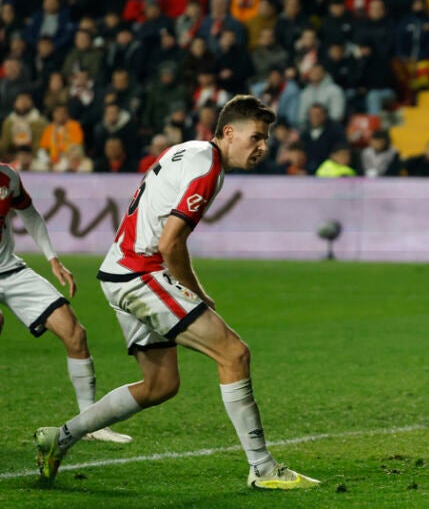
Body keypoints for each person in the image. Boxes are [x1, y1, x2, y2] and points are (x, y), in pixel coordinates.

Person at [34, 95, 320, 490]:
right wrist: (195, 291)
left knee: (160, 385)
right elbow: (170, 243)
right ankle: (262, 468)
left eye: (266, 139)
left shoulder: (189, 150)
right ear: (229, 132)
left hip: (119, 271)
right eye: (256, 137)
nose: (263, 147)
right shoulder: (207, 168)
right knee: (234, 353)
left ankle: (60, 437)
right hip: (141, 273)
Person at [0, 165, 131, 444]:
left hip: (10, 270)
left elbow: (29, 213)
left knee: (75, 333)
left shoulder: (7, 177)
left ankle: (90, 423)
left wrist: (52, 258)